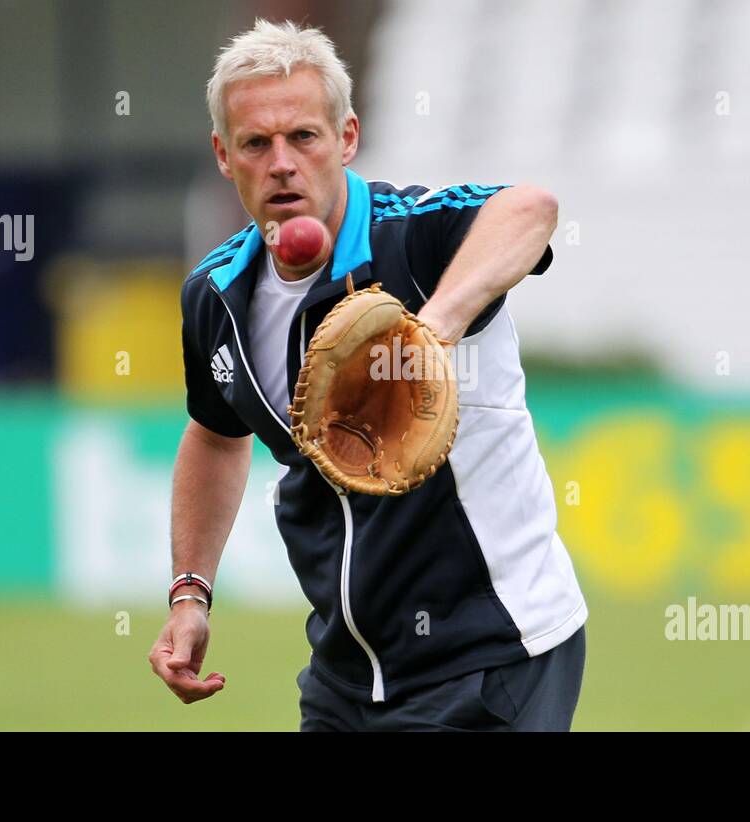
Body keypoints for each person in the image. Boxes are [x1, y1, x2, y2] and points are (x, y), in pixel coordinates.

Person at [148, 18, 587, 731]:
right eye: (257, 143)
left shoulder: (413, 236)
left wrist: (430, 331)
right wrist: (190, 594)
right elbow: (215, 435)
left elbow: (531, 210)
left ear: (347, 138)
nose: (281, 162)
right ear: (224, 157)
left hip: (494, 651)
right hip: (346, 675)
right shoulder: (215, 294)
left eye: (304, 137)